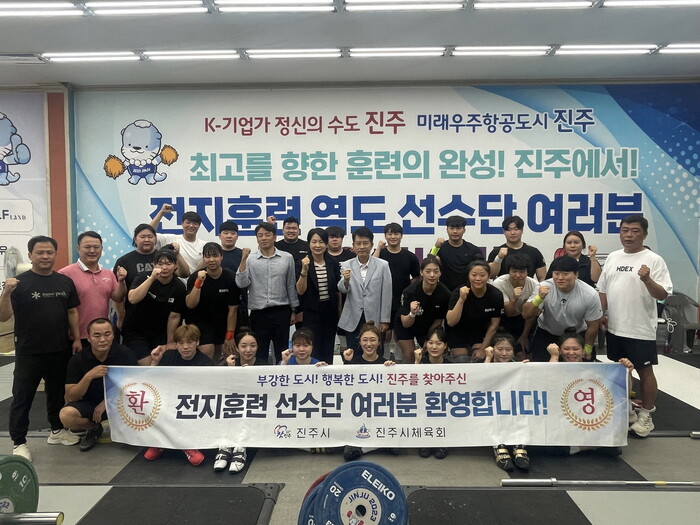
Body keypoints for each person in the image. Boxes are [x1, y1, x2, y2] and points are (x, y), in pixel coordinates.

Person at [0, 236, 82, 462]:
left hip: (59, 348)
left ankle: (57, 430)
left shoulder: (64, 282)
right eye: (40, 252)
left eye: (49, 252)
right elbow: (3, 316)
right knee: (22, 397)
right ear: (30, 255)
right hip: (29, 351)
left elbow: (72, 312)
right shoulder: (19, 283)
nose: (45, 256)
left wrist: (76, 338)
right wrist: (6, 292)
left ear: (55, 254)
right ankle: (19, 442)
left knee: (56, 394)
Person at [597, 215, 672, 437]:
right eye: (625, 230)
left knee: (645, 371)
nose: (629, 235)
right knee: (621, 369)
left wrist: (647, 279)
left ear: (644, 234)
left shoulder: (654, 260)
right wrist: (601, 314)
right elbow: (603, 289)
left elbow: (663, 294)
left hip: (640, 328)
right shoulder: (613, 257)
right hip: (615, 326)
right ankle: (628, 409)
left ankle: (646, 415)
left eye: (635, 231)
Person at [60, 318, 137, 452]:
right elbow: (71, 397)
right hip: (91, 404)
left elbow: (136, 384)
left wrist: (106, 401)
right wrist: (88, 376)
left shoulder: (125, 354)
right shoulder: (78, 359)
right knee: (66, 415)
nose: (102, 340)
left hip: (120, 402)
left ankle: (133, 430)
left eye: (107, 334)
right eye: (97, 335)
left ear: (113, 336)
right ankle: (94, 428)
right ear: (89, 338)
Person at [144, 324, 213, 465]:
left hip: (193, 403)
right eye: (181, 343)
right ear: (176, 344)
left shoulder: (206, 363)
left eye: (190, 342)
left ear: (197, 342)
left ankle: (186, 445)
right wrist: (155, 361)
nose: (185, 347)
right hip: (169, 399)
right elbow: (154, 381)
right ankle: (160, 442)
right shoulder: (168, 356)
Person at [236, 221, 299, 363]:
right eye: (260, 235)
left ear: (275, 237)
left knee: (282, 352)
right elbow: (241, 283)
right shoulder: (250, 259)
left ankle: (283, 376)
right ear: (257, 239)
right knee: (260, 353)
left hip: (281, 311)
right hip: (259, 314)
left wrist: (294, 310)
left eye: (267, 235)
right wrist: (243, 260)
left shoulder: (287, 258)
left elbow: (290, 285)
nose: (264, 238)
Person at [522, 256, 603, 362]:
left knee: (582, 369)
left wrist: (588, 349)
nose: (560, 278)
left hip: (576, 334)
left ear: (576, 275)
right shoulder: (543, 287)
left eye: (565, 274)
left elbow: (593, 325)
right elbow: (526, 314)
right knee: (542, 368)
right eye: (556, 273)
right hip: (547, 333)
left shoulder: (590, 294)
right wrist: (539, 298)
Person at [58, 231, 127, 345]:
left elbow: (118, 298)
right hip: (76, 338)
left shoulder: (108, 273)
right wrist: (75, 338)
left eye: (96, 247)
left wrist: (121, 281)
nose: (92, 250)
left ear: (101, 249)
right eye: (87, 247)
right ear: (78, 248)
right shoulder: (65, 274)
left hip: (102, 337)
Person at [214, 328, 268, 474]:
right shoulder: (229, 363)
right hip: (232, 405)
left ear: (257, 347)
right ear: (237, 348)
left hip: (254, 406)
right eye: (243, 346)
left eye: (252, 345)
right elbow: (220, 389)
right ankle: (225, 446)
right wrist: (232, 371)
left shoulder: (264, 366)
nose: (248, 350)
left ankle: (240, 448)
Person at [341, 322, 395, 462]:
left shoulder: (386, 364)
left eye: (372, 340)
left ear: (379, 342)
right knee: (348, 453)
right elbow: (344, 389)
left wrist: (392, 371)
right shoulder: (353, 363)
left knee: (397, 447)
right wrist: (346, 363)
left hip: (380, 416)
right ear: (359, 342)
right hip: (358, 417)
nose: (369, 344)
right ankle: (374, 446)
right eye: (365, 340)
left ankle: (371, 446)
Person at [123, 248, 186, 365]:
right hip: (136, 332)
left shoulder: (179, 287)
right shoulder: (143, 277)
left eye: (168, 264)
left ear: (176, 265)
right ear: (153, 265)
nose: (164, 267)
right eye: (160, 264)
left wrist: (169, 343)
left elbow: (174, 316)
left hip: (160, 333)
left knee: (164, 361)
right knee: (147, 363)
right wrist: (152, 279)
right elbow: (132, 299)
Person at [338, 227, 393, 353]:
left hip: (374, 317)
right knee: (353, 353)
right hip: (353, 318)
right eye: (358, 243)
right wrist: (345, 280)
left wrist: (384, 320)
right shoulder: (346, 264)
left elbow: (387, 294)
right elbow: (342, 289)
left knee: (375, 353)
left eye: (365, 243)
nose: (362, 247)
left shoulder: (382, 265)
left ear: (372, 245)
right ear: (353, 245)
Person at [185, 242, 240, 361]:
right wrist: (199, 282)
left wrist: (230, 335)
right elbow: (190, 304)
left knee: (230, 351)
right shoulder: (195, 277)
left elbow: (233, 310)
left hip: (223, 323)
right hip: (200, 324)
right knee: (207, 350)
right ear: (203, 258)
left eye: (215, 256)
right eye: (207, 256)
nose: (211, 260)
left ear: (221, 257)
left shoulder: (230, 277)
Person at [483, 332, 529, 471]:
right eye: (500, 349)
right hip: (491, 405)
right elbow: (481, 380)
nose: (504, 353)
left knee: (522, 412)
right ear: (492, 349)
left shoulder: (519, 367)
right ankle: (498, 446)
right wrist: (488, 358)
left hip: (513, 405)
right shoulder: (485, 364)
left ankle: (519, 446)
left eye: (508, 349)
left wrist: (528, 369)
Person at [373, 223, 420, 357]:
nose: (393, 237)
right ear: (385, 236)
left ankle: (399, 363)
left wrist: (407, 288)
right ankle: (384, 361)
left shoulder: (409, 256)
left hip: (402, 301)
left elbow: (417, 276)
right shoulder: (380, 253)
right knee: (385, 335)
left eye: (396, 234)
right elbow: (372, 266)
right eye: (389, 234)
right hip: (383, 301)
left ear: (401, 236)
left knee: (401, 335)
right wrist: (378, 248)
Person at [296, 228, 341, 364]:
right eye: (314, 242)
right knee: (312, 348)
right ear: (309, 243)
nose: (317, 245)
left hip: (330, 312)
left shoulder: (333, 262)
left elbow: (338, 290)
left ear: (326, 244)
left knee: (328, 348)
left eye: (321, 242)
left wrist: (339, 312)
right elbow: (300, 291)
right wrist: (304, 271)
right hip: (311, 313)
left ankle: (327, 375)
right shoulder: (302, 263)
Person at [445, 260, 504, 360]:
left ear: (489, 276)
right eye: (474, 275)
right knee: (462, 358)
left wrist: (482, 348)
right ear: (468, 276)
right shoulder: (458, 292)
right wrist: (461, 300)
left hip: (480, 332)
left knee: (480, 357)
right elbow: (451, 322)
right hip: (457, 332)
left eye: (482, 275)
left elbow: (494, 325)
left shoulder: (496, 295)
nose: (478, 279)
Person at [397, 255, 451, 362]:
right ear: (421, 272)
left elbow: (438, 321)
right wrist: (412, 313)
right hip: (406, 324)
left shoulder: (445, 293)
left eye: (436, 271)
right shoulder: (409, 292)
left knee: (430, 351)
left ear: (440, 273)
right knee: (410, 355)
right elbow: (405, 323)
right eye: (428, 271)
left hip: (428, 326)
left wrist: (428, 340)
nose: (432, 275)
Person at [413, 326, 451, 460]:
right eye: (430, 343)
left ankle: (442, 443)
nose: (434, 347)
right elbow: (411, 386)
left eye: (438, 343)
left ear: (445, 346)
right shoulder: (420, 363)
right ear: (425, 344)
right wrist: (416, 362)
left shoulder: (452, 367)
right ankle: (425, 442)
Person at [491, 254, 538, 357]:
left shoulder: (534, 284)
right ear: (508, 271)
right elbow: (509, 313)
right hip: (504, 319)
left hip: (525, 319)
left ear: (527, 272)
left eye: (522, 272)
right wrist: (514, 299)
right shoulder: (499, 283)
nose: (518, 275)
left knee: (524, 353)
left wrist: (524, 335)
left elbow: (531, 314)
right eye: (514, 271)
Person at [428, 215, 484, 291]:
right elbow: (429, 261)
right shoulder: (440, 248)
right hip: (445, 291)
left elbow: (482, 270)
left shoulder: (473, 250)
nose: (455, 231)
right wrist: (436, 247)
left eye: (458, 228)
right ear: (447, 230)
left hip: (468, 290)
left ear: (464, 230)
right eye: (451, 228)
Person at [150, 203, 205, 275]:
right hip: (173, 281)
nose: (191, 226)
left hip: (197, 281)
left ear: (199, 226)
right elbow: (149, 233)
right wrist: (161, 213)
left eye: (195, 223)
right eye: (188, 223)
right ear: (182, 223)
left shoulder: (204, 245)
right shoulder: (170, 239)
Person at [487, 215, 546, 281]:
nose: (513, 233)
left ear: (522, 230)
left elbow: (542, 278)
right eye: (509, 230)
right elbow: (491, 275)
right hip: (503, 287)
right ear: (504, 231)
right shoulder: (496, 252)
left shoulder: (534, 252)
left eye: (516, 229)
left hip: (527, 287)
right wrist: (499, 258)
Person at [218, 220, 250, 332]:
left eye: (232, 233)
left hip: (240, 306)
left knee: (242, 339)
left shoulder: (244, 255)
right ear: (219, 236)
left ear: (237, 236)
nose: (229, 236)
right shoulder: (214, 256)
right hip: (219, 306)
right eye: (225, 233)